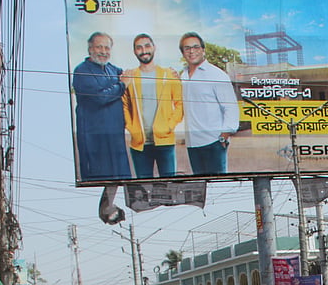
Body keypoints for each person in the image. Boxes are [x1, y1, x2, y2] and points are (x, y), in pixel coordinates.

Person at [72, 32, 131, 181]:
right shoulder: (82, 70)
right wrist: (122, 85)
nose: (104, 52)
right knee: (99, 181)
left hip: (115, 137)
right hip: (95, 138)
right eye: (99, 47)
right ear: (90, 48)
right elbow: (100, 97)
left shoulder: (111, 69)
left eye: (107, 48)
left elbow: (130, 75)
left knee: (121, 180)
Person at [123, 33, 183, 178]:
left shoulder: (168, 74)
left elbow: (180, 104)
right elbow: (124, 106)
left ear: (154, 47)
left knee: (169, 187)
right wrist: (131, 128)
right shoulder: (130, 76)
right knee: (143, 189)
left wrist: (169, 126)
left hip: (165, 142)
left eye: (147, 46)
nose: (144, 51)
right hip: (139, 144)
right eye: (139, 48)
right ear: (134, 51)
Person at [179, 32, 239, 175]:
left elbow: (230, 107)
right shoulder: (183, 76)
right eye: (187, 48)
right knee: (200, 188)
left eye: (195, 47)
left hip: (213, 143)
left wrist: (223, 137)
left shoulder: (216, 75)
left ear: (203, 50)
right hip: (192, 144)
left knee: (218, 188)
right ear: (183, 52)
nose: (192, 51)